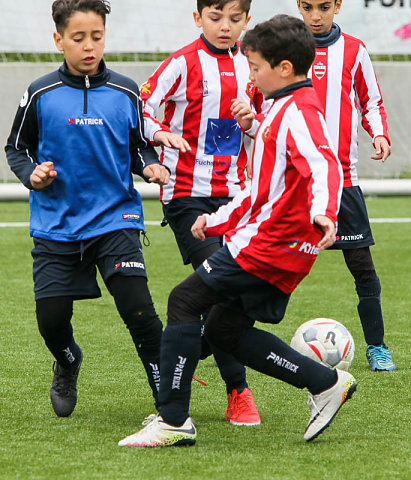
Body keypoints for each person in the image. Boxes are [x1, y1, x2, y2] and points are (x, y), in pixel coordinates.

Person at [118, 14, 357, 448]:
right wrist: (218, 219)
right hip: (284, 246)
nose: (249, 75)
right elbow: (262, 192)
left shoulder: (297, 111)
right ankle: (324, 382)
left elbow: (326, 165)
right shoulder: (281, 109)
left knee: (185, 301)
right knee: (225, 330)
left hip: (269, 245)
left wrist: (325, 212)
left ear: (283, 69)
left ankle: (173, 420)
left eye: (255, 67)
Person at [5, 0, 170, 418]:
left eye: (96, 37)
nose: (89, 46)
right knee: (52, 322)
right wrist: (32, 175)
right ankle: (67, 360)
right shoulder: (40, 93)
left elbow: (138, 144)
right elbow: (17, 148)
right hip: (56, 225)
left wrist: (148, 164)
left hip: (116, 220)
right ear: (58, 40)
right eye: (78, 38)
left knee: (140, 312)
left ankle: (168, 404)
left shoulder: (126, 91)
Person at [139, 0, 265, 426]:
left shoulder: (253, 65)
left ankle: (180, 350)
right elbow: (141, 106)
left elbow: (267, 126)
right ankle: (239, 392)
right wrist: (160, 134)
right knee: (223, 288)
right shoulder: (180, 63)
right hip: (187, 197)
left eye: (235, 19)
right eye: (215, 18)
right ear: (198, 18)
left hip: (236, 197)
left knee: (232, 296)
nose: (225, 27)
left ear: (247, 20)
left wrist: (251, 122)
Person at [296, 0, 396, 371]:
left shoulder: (354, 50)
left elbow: (372, 102)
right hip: (295, 181)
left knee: (362, 268)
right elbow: (259, 98)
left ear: (338, 5)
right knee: (266, 265)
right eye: (308, 7)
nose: (316, 16)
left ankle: (377, 347)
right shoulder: (286, 50)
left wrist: (380, 134)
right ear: (298, 6)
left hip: (343, 181)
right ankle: (226, 337)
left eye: (324, 6)